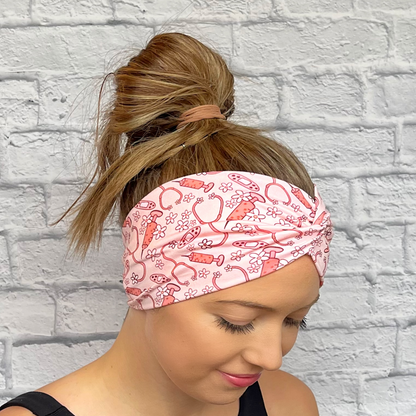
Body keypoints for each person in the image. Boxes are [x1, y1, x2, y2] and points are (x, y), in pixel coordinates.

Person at [0, 32, 333, 416]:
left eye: (295, 321)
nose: (271, 357)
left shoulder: (288, 405)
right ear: (146, 282)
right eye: (236, 322)